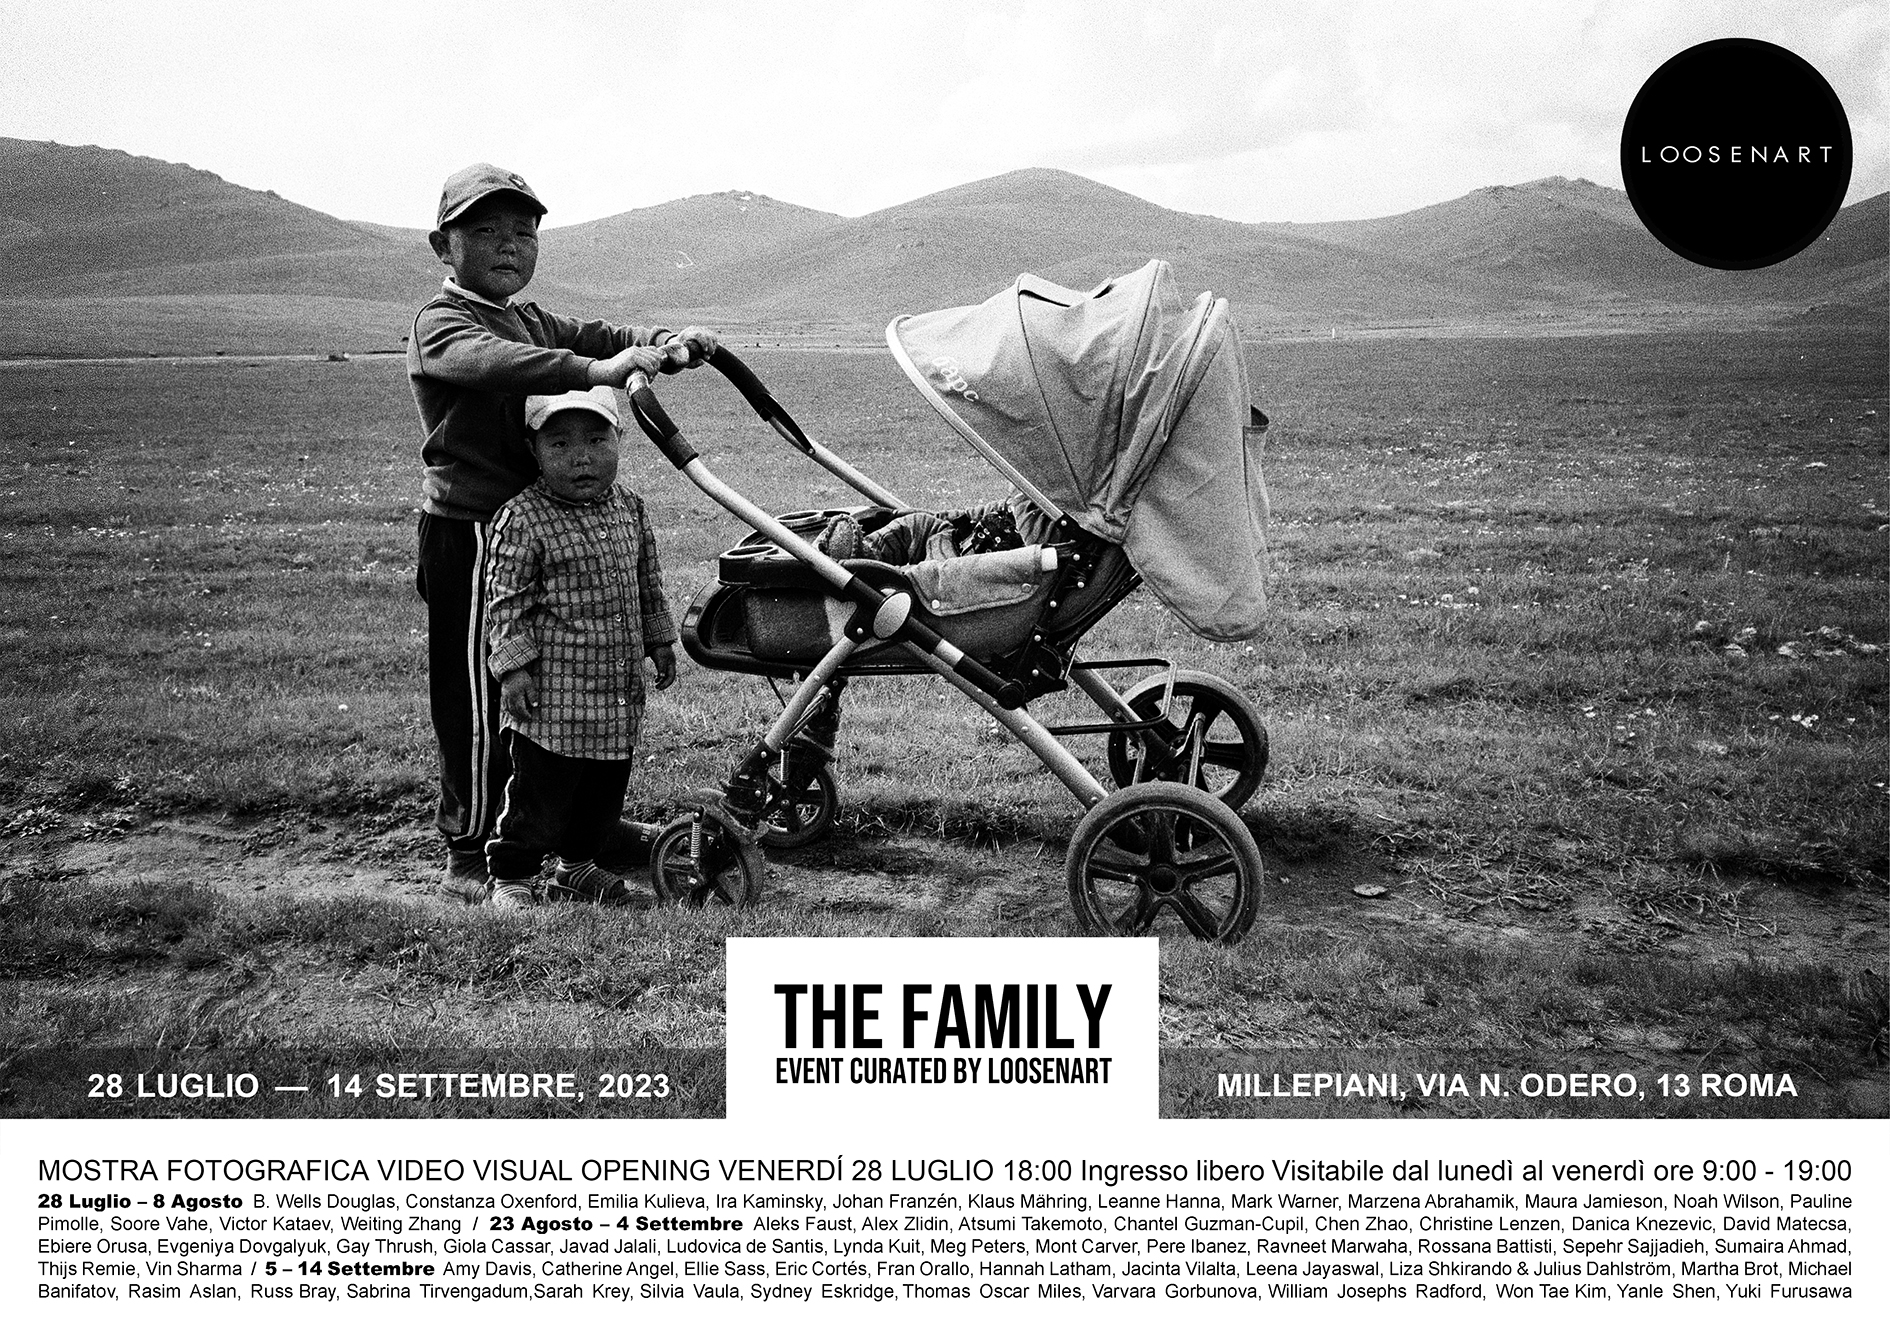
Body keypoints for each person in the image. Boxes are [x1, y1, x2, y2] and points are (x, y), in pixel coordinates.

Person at [408, 162, 715, 900]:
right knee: (483, 699)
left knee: (563, 689)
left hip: (548, 526)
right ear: (443, 246)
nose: (508, 245)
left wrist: (663, 341)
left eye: (523, 232)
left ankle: (580, 828)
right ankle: (471, 845)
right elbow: (500, 365)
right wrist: (595, 369)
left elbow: (602, 334)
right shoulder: (441, 324)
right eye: (486, 231)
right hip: (475, 533)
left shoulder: (533, 319)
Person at [480, 387, 677, 909]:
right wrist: (513, 669)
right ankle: (512, 876)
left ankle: (577, 867)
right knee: (539, 795)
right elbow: (505, 602)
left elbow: (648, 582)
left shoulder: (630, 509)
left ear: (620, 439)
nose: (581, 458)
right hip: (552, 702)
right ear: (534, 450)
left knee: (603, 790)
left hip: (616, 693)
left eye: (595, 440)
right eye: (560, 444)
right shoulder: (523, 518)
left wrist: (659, 639)